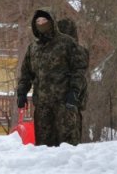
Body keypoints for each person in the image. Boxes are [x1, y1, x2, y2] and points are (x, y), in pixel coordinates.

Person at [16, 8, 88, 146]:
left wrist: (74, 91)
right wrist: (21, 92)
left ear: (52, 22)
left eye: (44, 20)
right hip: (43, 106)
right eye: (38, 21)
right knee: (44, 147)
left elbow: (79, 69)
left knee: (68, 144)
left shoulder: (67, 43)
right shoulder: (33, 48)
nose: (41, 23)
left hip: (65, 103)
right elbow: (26, 73)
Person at [57, 17, 89, 140]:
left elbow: (79, 76)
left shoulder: (77, 52)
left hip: (70, 104)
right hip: (60, 105)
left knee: (69, 143)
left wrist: (74, 93)